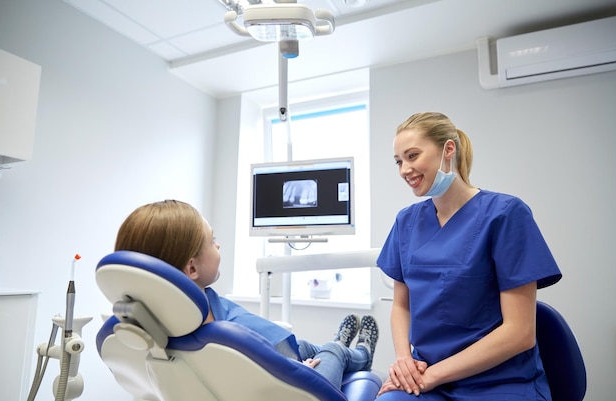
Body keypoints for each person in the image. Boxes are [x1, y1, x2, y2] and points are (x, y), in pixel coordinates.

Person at [375, 112, 562, 400]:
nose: (404, 169)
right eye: (399, 161)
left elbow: (520, 332)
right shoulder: (406, 222)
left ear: (448, 150)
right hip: (426, 375)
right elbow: (402, 306)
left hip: (499, 381)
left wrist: (430, 378)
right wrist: (404, 361)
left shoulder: (505, 214)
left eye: (413, 156)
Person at [114, 199, 379, 391]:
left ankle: (340, 348)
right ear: (192, 268)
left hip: (282, 354)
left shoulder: (150, 328)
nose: (218, 245)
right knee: (333, 351)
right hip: (294, 385)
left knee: (307, 346)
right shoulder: (221, 340)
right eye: (212, 240)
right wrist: (300, 374)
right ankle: (359, 353)